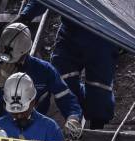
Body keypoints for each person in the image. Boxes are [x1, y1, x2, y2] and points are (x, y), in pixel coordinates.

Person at [16, 1, 119, 133]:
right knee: (62, 78)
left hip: (103, 34)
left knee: (99, 87)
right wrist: (25, 16)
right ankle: (74, 116)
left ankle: (96, 128)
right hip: (71, 32)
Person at [0, 22, 82, 128]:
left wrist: (73, 116)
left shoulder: (44, 70)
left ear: (25, 51)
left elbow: (65, 96)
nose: (8, 63)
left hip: (40, 121)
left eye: (14, 59)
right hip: (9, 125)